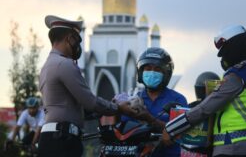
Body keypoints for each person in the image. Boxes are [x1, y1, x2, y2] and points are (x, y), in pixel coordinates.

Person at [38, 15, 137, 157]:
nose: (78, 46)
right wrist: (119, 108)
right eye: (77, 40)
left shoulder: (47, 66)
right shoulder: (65, 64)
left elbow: (72, 106)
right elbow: (90, 101)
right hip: (62, 141)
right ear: (69, 39)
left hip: (52, 138)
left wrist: (103, 108)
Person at [163, 25, 246, 157]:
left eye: (224, 53)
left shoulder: (236, 77)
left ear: (234, 48)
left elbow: (205, 108)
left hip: (232, 147)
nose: (223, 59)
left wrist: (171, 128)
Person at [124, 47, 188, 157]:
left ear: (166, 74)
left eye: (157, 69)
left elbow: (179, 132)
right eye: (148, 68)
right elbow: (124, 130)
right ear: (141, 72)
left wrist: (148, 117)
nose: (152, 73)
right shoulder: (133, 98)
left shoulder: (178, 99)